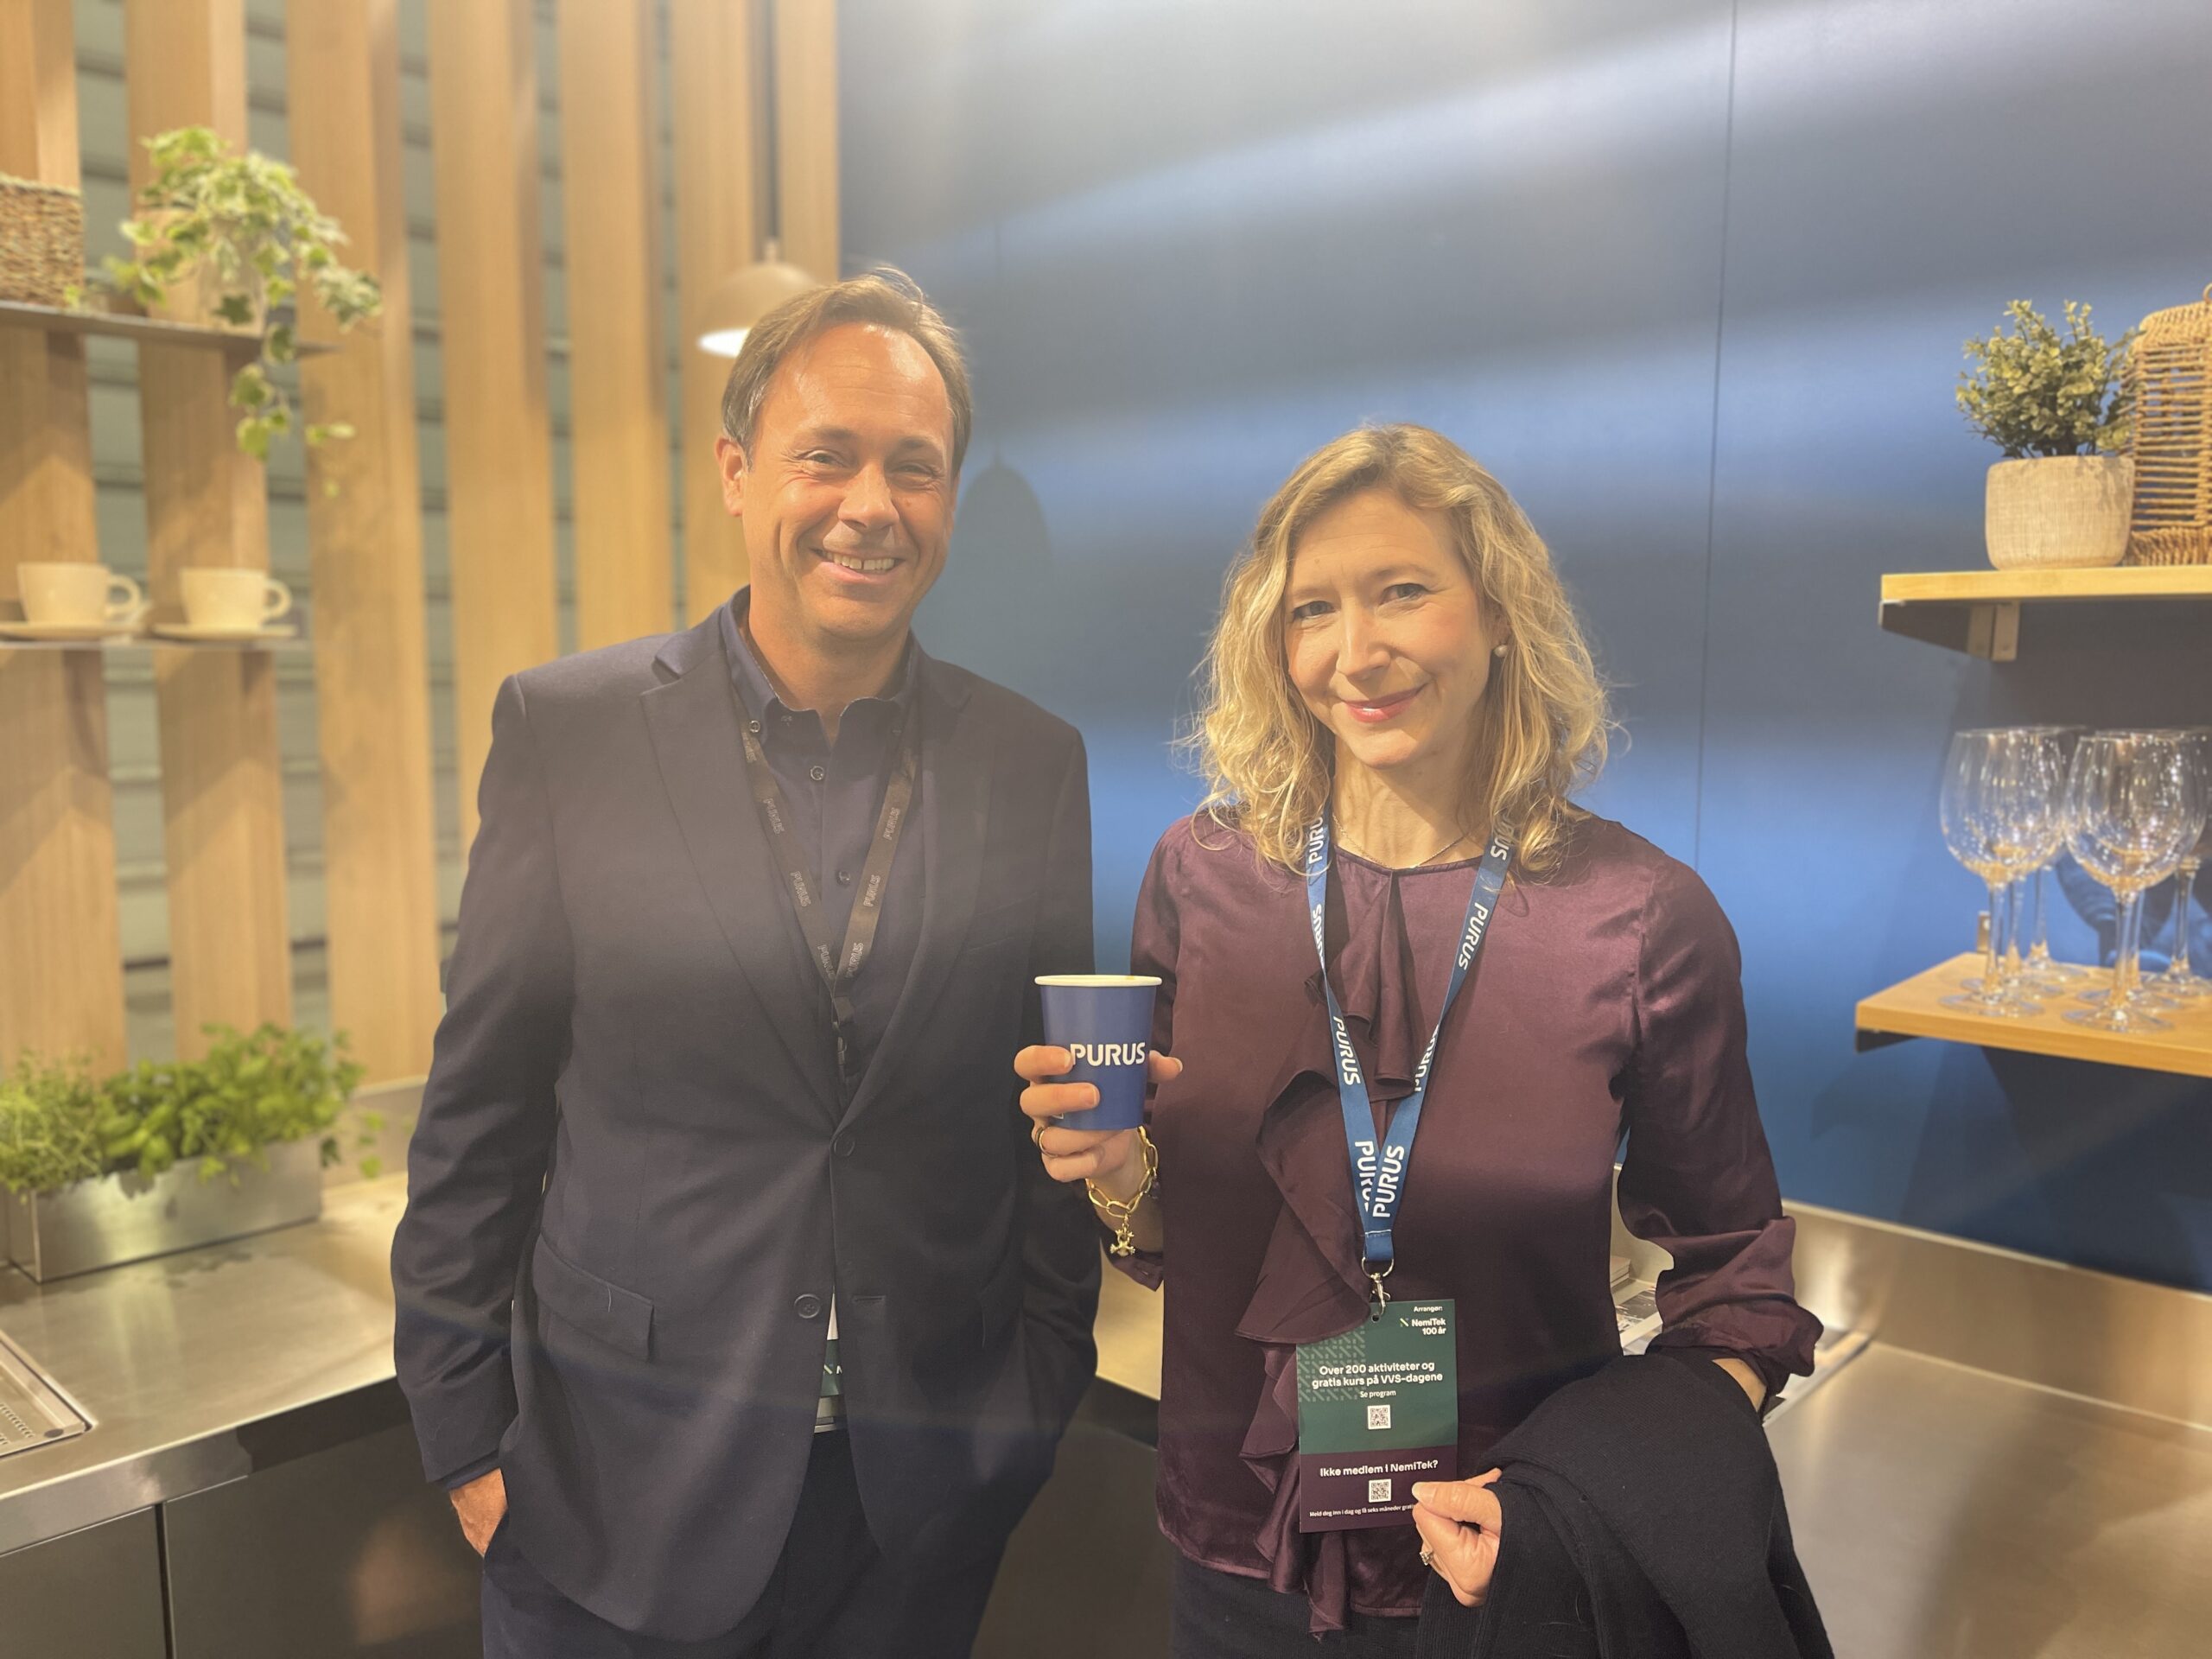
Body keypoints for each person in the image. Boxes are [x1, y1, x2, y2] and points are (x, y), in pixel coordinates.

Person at [1017, 424, 1821, 1655]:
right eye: (1313, 609)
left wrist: (1590, 1504)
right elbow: (1183, 1243)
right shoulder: (1201, 876)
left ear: (1498, 613)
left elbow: (1739, 1294)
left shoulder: (1639, 918)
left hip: (1510, 1578)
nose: (1356, 652)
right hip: (1234, 1553)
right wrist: (1122, 1176)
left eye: (1402, 591)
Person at [393, 269, 1102, 1658]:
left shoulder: (1029, 764)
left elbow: (1049, 1112)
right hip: (612, 1497)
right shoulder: (572, 736)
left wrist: (1033, 1397)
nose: (870, 505)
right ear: (736, 472)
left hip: (913, 1508)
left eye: (914, 466)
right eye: (824, 455)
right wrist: (467, 1437)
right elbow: (480, 1110)